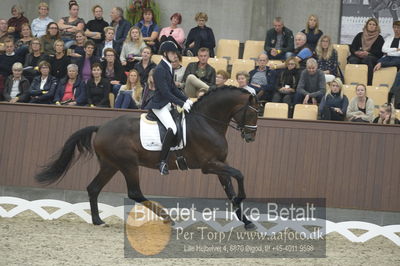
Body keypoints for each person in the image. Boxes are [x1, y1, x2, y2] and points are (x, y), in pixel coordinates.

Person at [145, 41, 192, 175]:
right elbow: (166, 92)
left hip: (167, 104)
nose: (174, 55)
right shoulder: (160, 69)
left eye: (175, 53)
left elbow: (173, 88)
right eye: (172, 53)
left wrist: (187, 99)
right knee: (172, 128)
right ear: (165, 54)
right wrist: (182, 104)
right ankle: (162, 162)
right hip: (159, 105)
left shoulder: (168, 67)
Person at [348, 18, 384, 85]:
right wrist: (356, 52)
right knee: (353, 60)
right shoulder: (360, 35)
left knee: (367, 59)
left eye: (374, 24)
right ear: (366, 25)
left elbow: (380, 52)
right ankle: (354, 81)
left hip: (372, 57)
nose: (371, 26)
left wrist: (368, 53)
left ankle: (368, 83)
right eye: (370, 24)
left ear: (376, 27)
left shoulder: (380, 38)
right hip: (358, 55)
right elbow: (352, 47)